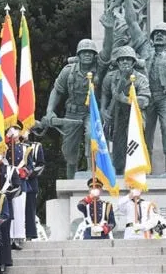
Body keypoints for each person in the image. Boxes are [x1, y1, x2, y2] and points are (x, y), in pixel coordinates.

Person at [42, 12, 114, 179]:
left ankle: (92, 173)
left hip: (91, 112)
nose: (87, 55)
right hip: (72, 113)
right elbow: (57, 90)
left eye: (90, 52)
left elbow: (108, 50)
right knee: (69, 150)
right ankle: (71, 177)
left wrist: (109, 30)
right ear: (79, 55)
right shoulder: (68, 71)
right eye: (84, 52)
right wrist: (49, 111)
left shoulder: (99, 67)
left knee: (92, 136)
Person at [124, 0, 166, 172]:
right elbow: (132, 23)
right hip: (146, 97)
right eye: (157, 34)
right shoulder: (145, 49)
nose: (159, 36)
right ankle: (144, 165)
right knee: (144, 131)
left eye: (163, 34)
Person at [100, 45, 151, 174]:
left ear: (133, 62)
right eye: (122, 60)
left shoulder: (141, 79)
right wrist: (103, 110)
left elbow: (144, 101)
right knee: (118, 142)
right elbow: (105, 93)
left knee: (135, 141)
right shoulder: (110, 77)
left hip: (136, 116)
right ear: (117, 62)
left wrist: (124, 99)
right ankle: (118, 170)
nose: (125, 62)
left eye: (128, 59)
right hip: (118, 115)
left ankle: (137, 171)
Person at [5, 121, 34, 249]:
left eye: (16, 129)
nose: (14, 132)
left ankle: (18, 236)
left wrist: (23, 171)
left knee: (19, 210)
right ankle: (8, 236)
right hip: (6, 183)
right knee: (7, 211)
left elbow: (30, 167)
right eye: (11, 129)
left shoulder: (24, 148)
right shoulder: (4, 148)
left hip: (20, 183)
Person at [21, 129, 45, 240]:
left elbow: (41, 165)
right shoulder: (12, 147)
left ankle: (29, 233)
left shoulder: (36, 146)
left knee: (30, 209)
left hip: (30, 181)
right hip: (17, 181)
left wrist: (30, 173)